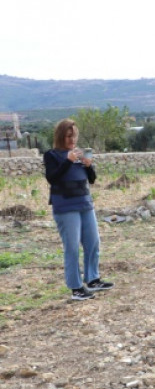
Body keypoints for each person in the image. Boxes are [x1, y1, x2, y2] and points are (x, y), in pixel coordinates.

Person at [43, 119, 114, 301]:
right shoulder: (51, 155)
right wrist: (68, 161)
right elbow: (53, 178)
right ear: (61, 136)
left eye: (74, 136)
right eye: (68, 136)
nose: (72, 140)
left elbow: (91, 180)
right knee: (72, 247)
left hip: (85, 204)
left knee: (93, 242)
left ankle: (92, 279)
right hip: (66, 208)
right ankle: (76, 287)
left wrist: (89, 166)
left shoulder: (79, 155)